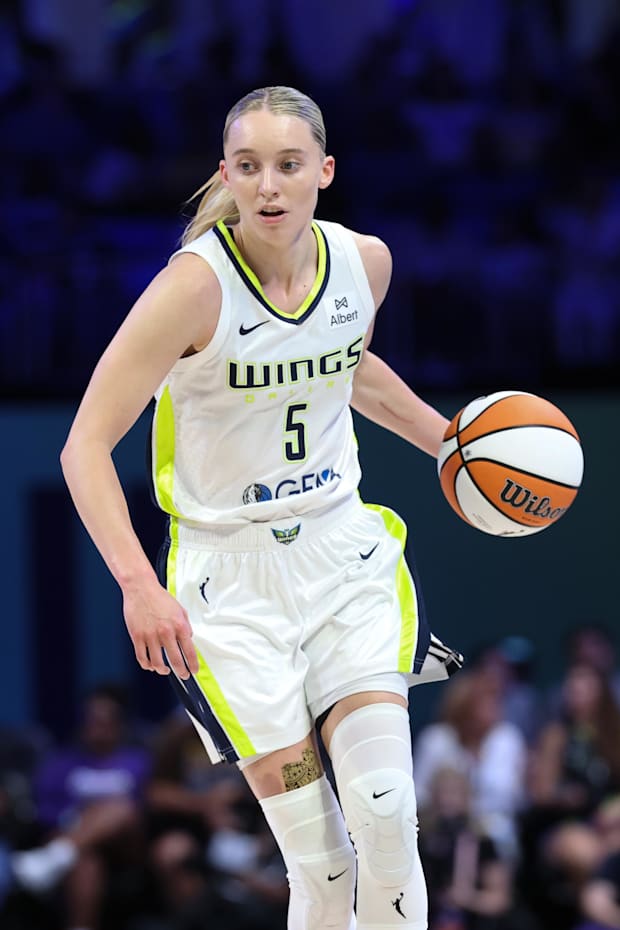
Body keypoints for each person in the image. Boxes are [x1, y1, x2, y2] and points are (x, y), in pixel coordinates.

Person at [60, 85, 463, 930]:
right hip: (230, 590)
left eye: (287, 165)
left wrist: (452, 449)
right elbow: (83, 446)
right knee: (322, 868)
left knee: (389, 812)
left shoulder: (364, 263)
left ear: (325, 171)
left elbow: (345, 366)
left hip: (342, 558)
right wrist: (137, 584)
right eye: (248, 167)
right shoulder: (192, 290)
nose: (269, 186)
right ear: (226, 176)